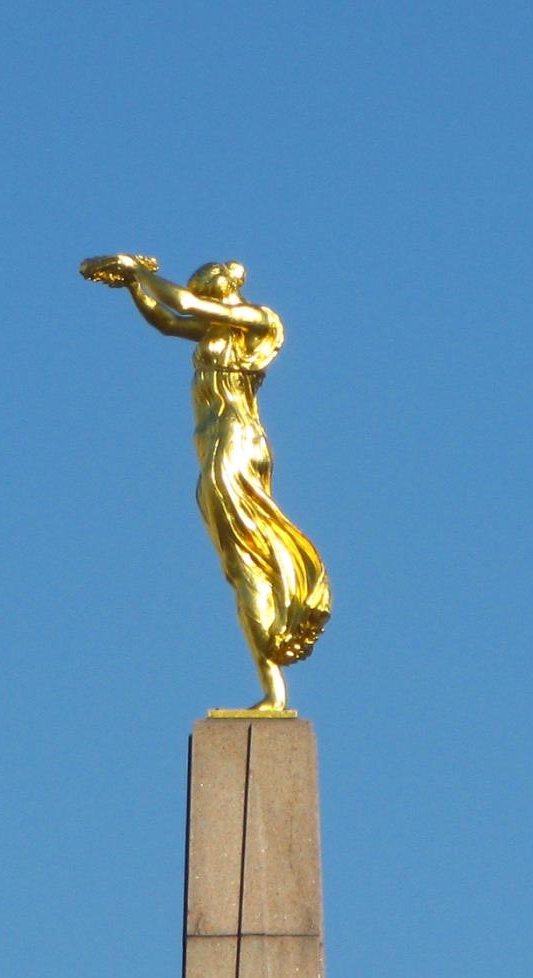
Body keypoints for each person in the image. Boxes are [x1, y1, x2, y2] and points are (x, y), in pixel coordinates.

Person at [80, 254, 331, 710]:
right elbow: (169, 322)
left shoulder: (256, 320)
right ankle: (273, 686)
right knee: (239, 566)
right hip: (214, 446)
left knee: (247, 552)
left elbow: (185, 305)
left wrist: (139, 270)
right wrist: (134, 287)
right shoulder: (215, 333)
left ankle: (278, 661)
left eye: (205, 276)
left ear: (226, 281)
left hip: (236, 440)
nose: (201, 281)